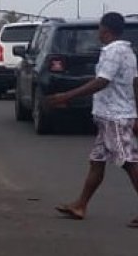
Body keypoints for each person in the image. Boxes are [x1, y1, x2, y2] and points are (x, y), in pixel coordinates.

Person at [51, 12, 138, 225]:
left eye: (99, 27)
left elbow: (102, 82)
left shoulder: (113, 52)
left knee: (129, 162)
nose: (98, 31)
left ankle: (81, 204)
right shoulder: (127, 51)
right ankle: (80, 205)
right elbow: (135, 83)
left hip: (114, 116)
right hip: (112, 115)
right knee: (97, 161)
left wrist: (67, 96)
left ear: (105, 30)